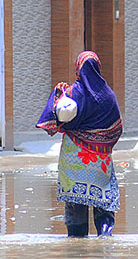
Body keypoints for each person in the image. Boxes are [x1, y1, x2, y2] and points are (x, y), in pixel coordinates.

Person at [36, 51, 123, 237]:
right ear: (98, 68)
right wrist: (103, 144)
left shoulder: (72, 92)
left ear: (78, 69)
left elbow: (54, 120)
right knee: (103, 202)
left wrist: (58, 93)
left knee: (75, 206)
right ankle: (105, 239)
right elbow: (117, 129)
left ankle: (76, 245)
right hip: (100, 160)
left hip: (74, 158)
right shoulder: (109, 95)